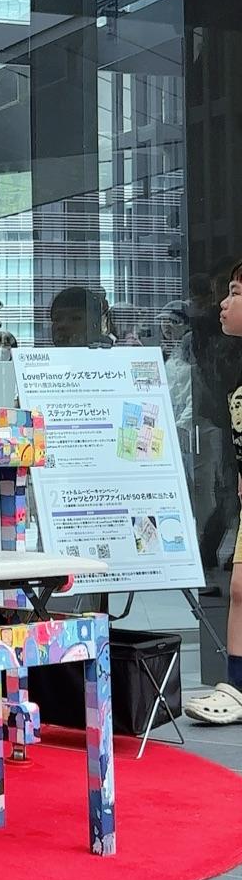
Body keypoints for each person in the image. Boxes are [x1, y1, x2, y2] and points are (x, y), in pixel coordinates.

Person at [185, 259, 242, 723]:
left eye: (236, 294)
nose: (224, 303)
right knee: (239, 589)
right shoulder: (230, 360)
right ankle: (236, 685)